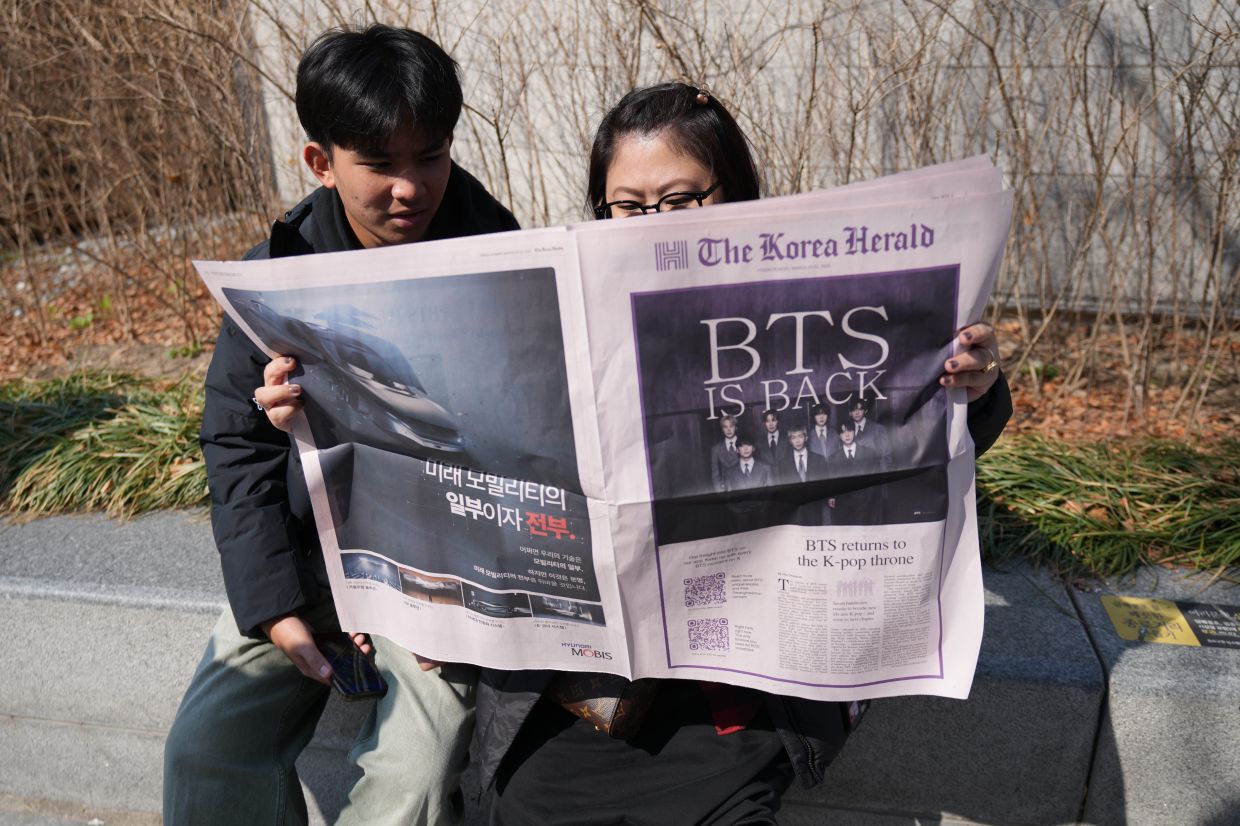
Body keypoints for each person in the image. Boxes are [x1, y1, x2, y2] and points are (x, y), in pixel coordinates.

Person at [471, 82, 1012, 825]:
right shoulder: (556, 319)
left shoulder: (808, 307)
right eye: (625, 206)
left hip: (736, 703)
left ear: (738, 195)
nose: (650, 227)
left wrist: (969, 386)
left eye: (681, 200)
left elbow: (912, 437)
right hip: (588, 695)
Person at [163, 25, 518, 826]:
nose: (411, 187)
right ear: (321, 163)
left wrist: (462, 611)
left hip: (439, 581)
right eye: (380, 165)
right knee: (204, 752)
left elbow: (530, 454)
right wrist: (276, 611)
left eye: (430, 156)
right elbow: (235, 448)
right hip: (305, 562)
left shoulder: (502, 260)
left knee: (412, 776)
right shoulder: (273, 278)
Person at [708, 414, 741, 493]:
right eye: (725, 427)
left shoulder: (744, 444)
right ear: (722, 429)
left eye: (731, 426)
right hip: (725, 489)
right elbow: (715, 474)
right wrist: (719, 490)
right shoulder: (716, 449)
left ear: (735, 427)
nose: (728, 430)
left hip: (743, 485)